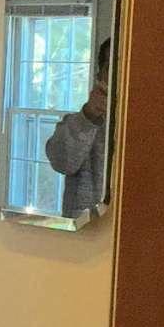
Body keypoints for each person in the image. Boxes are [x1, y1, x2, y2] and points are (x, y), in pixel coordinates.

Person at [45, 38, 110, 218]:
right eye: (110, 68)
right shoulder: (81, 122)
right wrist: (89, 115)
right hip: (86, 232)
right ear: (100, 76)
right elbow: (62, 162)